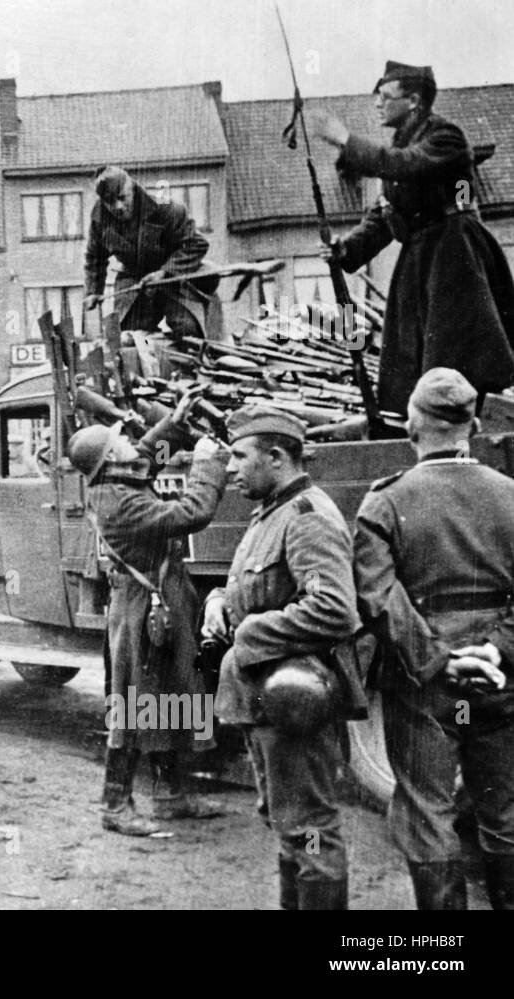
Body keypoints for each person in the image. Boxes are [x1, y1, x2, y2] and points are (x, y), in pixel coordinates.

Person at [353, 368, 514, 910]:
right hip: (500, 679)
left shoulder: (384, 502)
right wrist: (496, 648)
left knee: (428, 814)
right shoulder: (510, 496)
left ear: (413, 424)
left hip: (422, 683)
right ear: (471, 423)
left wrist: (437, 660)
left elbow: (377, 598)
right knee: (506, 814)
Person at [202, 407, 367, 909]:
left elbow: (333, 608)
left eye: (238, 456)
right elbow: (265, 586)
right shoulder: (273, 512)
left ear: (275, 457)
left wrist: (250, 631)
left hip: (295, 704)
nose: (230, 468)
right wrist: (218, 601)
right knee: (288, 823)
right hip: (268, 703)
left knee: (311, 830)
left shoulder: (306, 518)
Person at [312, 61, 514, 415]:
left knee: (456, 358)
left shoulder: (445, 137)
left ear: (414, 101)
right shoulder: (401, 145)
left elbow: (405, 164)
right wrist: (345, 248)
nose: (377, 104)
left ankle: (469, 428)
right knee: (409, 362)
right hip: (421, 257)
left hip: (456, 255)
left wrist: (346, 140)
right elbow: (385, 214)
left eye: (386, 97)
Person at [68, 390, 229, 836]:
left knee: (169, 697)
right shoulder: (120, 501)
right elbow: (192, 511)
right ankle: (114, 805)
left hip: (155, 603)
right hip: (143, 611)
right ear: (108, 459)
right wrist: (207, 461)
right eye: (119, 439)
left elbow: (146, 456)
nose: (129, 441)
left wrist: (174, 424)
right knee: (137, 708)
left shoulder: (117, 481)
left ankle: (171, 795)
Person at [82, 165, 220, 342]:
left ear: (131, 187)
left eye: (122, 198)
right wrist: (93, 291)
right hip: (135, 281)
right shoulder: (100, 220)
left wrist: (164, 272)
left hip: (174, 278)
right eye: (110, 202)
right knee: (126, 338)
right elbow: (95, 257)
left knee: (188, 330)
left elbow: (196, 244)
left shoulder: (166, 209)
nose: (118, 206)